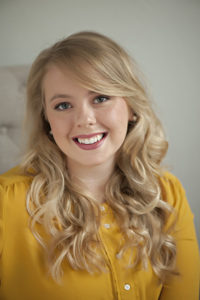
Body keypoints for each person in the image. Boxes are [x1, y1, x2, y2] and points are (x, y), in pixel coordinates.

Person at [0, 31, 199, 300]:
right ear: (46, 118)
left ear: (131, 107)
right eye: (63, 105)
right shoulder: (5, 201)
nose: (84, 119)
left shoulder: (167, 192)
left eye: (101, 98)